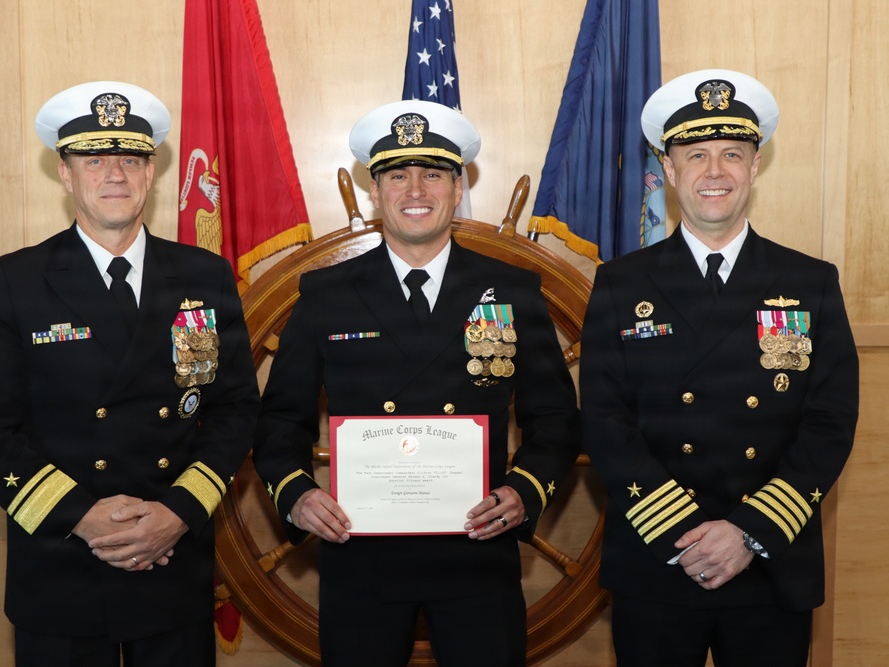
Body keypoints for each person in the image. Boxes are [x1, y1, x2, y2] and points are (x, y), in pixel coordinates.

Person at [252, 100, 581, 666]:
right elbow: (281, 420)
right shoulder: (324, 295)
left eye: (433, 174)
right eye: (396, 176)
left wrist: (524, 493)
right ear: (374, 194)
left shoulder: (514, 291)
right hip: (360, 558)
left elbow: (554, 420)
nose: (415, 189)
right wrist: (297, 495)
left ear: (458, 189)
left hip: (479, 554)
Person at [0, 81, 260, 667]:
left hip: (172, 559)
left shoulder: (205, 275)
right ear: (65, 174)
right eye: (95, 160)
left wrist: (179, 512)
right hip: (62, 565)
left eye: (131, 159)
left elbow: (235, 410)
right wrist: (83, 518)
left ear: (151, 173)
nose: (115, 175)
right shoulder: (17, 280)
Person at [580, 69, 859, 667]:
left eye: (732, 154)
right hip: (659, 554)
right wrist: (683, 535)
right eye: (696, 154)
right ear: (669, 170)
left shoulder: (809, 282)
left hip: (768, 559)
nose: (715, 172)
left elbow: (830, 422)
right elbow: (604, 419)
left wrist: (747, 532)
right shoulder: (620, 283)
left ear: (755, 167)